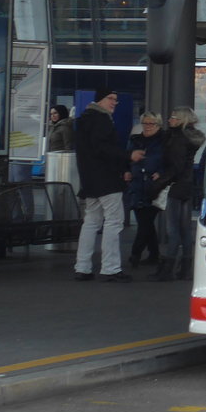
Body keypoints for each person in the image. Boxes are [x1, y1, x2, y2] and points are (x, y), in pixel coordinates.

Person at [72, 88, 131, 282]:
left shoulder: (83, 120)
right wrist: (128, 157)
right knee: (114, 222)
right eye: (110, 99)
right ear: (100, 100)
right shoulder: (102, 120)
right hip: (107, 179)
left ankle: (82, 266)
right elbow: (104, 148)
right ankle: (110, 268)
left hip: (89, 179)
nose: (114, 102)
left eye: (116, 99)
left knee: (91, 222)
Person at [152, 106, 204, 281]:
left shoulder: (177, 139)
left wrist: (161, 180)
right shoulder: (191, 138)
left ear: (182, 120)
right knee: (185, 230)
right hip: (187, 186)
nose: (170, 120)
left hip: (175, 186)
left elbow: (175, 166)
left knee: (172, 229)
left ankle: (167, 269)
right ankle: (186, 269)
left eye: (174, 117)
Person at [124, 112, 165, 268]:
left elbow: (169, 160)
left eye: (151, 124)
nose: (147, 126)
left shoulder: (164, 141)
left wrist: (161, 172)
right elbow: (127, 159)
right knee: (145, 222)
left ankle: (135, 254)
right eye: (145, 123)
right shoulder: (135, 140)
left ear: (158, 125)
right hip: (136, 185)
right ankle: (154, 254)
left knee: (145, 222)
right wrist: (126, 170)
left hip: (154, 186)